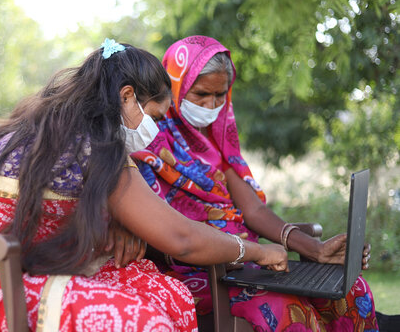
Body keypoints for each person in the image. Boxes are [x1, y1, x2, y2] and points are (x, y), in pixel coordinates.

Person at [0, 38, 289, 332]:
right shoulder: (94, 143)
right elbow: (182, 239)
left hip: (18, 270)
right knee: (143, 322)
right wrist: (256, 251)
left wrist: (119, 221)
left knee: (167, 292)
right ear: (127, 96)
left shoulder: (76, 130)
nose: (155, 131)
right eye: (155, 117)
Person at [132, 35, 379, 331]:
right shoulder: (146, 139)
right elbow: (161, 235)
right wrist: (227, 249)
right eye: (200, 94)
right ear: (175, 84)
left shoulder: (216, 141)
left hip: (246, 263)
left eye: (220, 95)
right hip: (193, 271)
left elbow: (254, 211)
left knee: (352, 291)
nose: (211, 106)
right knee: (287, 309)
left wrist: (315, 249)